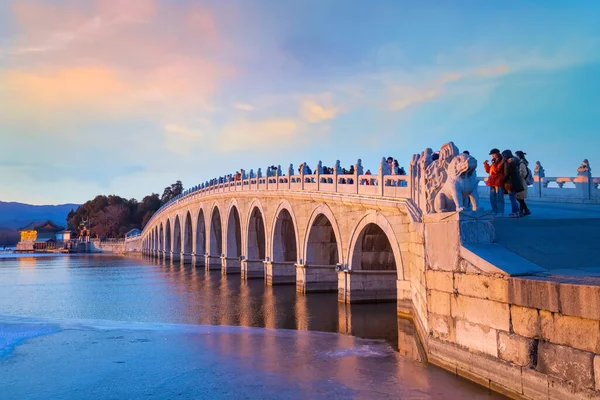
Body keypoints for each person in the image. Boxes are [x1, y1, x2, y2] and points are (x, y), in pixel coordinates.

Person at [501, 150, 525, 218]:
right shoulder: (514, 161)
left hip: (509, 182)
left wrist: (503, 179)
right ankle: (517, 212)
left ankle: (515, 212)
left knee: (512, 199)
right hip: (515, 182)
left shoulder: (507, 162)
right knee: (513, 198)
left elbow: (507, 173)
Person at [483, 148, 505, 216]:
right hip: (492, 180)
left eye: (493, 154)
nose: (492, 156)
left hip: (498, 180)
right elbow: (488, 171)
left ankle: (500, 212)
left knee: (499, 197)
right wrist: (486, 164)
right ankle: (494, 211)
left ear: (497, 153)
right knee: (492, 197)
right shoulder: (494, 160)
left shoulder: (501, 160)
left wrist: (495, 162)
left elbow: (497, 170)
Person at [515, 150, 531, 216]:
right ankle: (523, 210)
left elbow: (523, 173)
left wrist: (518, 175)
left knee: (519, 198)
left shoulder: (521, 164)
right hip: (521, 182)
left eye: (516, 155)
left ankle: (524, 210)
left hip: (521, 182)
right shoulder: (522, 163)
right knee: (520, 198)